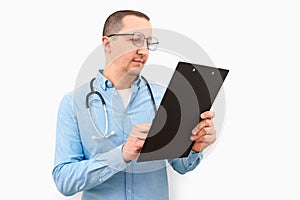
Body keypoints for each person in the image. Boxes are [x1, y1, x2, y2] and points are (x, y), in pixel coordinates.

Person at [52, 10, 216, 200]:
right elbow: (64, 181)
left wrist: (195, 146)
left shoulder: (164, 97)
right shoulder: (74, 103)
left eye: (148, 42)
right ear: (108, 44)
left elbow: (181, 166)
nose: (144, 51)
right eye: (136, 40)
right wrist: (121, 155)